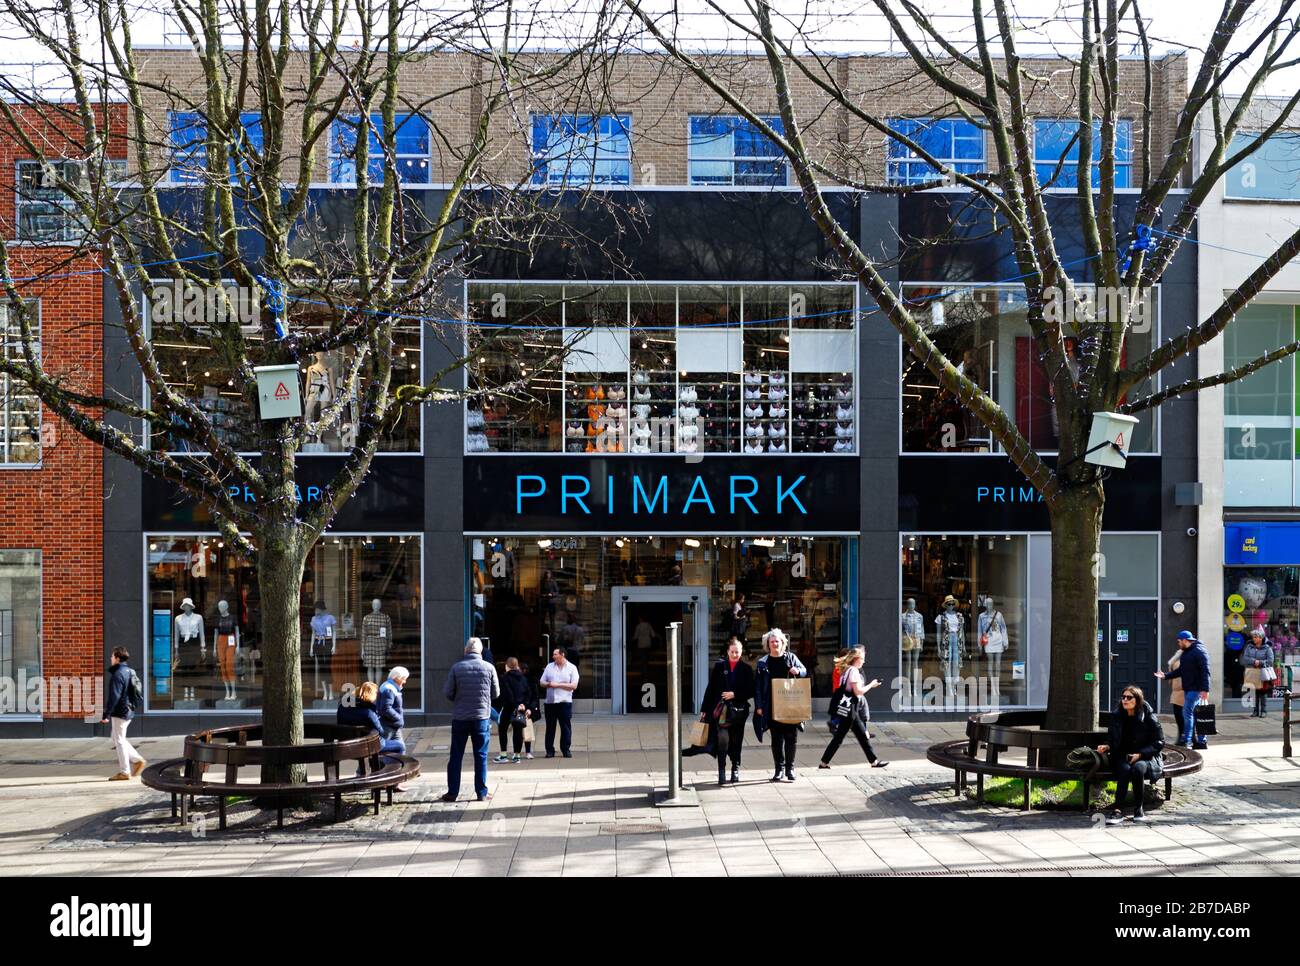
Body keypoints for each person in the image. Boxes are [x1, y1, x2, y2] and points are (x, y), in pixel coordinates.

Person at [442, 638, 500, 802]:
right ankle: (481, 792)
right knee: (481, 756)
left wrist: (459, 699)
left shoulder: (457, 667)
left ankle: (452, 792)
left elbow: (448, 692)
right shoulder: (489, 668)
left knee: (456, 756)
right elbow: (496, 694)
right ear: (480, 652)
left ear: (466, 650)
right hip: (481, 717)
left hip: (460, 717)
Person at [1097, 685, 1164, 824]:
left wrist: (1140, 754)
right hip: (1122, 755)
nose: (1125, 700)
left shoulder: (1148, 716)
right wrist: (1107, 746)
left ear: (1137, 700)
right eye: (1123, 697)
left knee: (1138, 769)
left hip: (1145, 756)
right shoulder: (1117, 716)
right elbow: (1112, 737)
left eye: (1129, 697)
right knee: (1125, 770)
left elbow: (1159, 741)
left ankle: (1138, 809)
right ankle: (1118, 810)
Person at [819, 647, 888, 769]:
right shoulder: (854, 671)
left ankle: (874, 761)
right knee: (841, 737)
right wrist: (872, 685)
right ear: (856, 659)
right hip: (850, 710)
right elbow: (858, 692)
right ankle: (824, 763)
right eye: (862, 659)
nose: (864, 661)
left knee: (861, 736)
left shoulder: (847, 670)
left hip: (850, 709)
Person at [753, 628, 807, 782]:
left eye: (777, 641)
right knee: (776, 739)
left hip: (791, 704)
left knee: (791, 738)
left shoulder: (791, 658)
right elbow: (757, 687)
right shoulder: (763, 663)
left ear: (783, 642)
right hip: (771, 706)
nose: (775, 644)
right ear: (768, 644)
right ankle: (779, 769)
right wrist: (758, 706)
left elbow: (804, 670)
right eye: (772, 642)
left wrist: (798, 671)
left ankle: (790, 769)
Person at [700, 637, 756, 785]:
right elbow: (710, 689)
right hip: (721, 711)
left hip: (738, 711)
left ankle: (735, 768)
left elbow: (751, 690)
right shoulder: (719, 667)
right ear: (727, 651)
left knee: (736, 740)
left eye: (737, 652)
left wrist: (735, 694)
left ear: (741, 652)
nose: (735, 654)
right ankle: (721, 770)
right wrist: (704, 709)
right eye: (732, 652)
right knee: (723, 740)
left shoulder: (746, 669)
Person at [1155, 630, 1211, 749]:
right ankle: (1201, 742)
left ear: (1186, 640)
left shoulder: (1199, 651)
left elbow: (1205, 672)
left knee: (1187, 713)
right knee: (1196, 715)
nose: (1178, 644)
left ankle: (1187, 740)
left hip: (1196, 689)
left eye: (1179, 641)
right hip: (1189, 688)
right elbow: (1181, 671)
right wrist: (1165, 675)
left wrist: (1205, 690)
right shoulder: (1186, 653)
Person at [337, 680, 406, 777]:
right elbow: (380, 732)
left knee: (376, 745)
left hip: (346, 745)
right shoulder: (369, 713)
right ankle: (390, 778)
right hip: (365, 747)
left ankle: (362, 772)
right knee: (399, 746)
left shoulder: (342, 708)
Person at [101, 647, 145, 781]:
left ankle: (125, 771)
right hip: (129, 709)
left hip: (120, 711)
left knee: (119, 740)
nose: (110, 658)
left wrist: (106, 714)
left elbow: (114, 696)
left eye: (112, 656)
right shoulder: (129, 671)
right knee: (116, 737)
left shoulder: (118, 674)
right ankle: (137, 760)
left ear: (117, 658)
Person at [540, 646, 580, 758]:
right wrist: (548, 684)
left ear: (562, 655)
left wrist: (558, 685)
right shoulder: (549, 667)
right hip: (550, 703)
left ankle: (566, 749)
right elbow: (542, 682)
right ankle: (549, 750)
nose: (553, 656)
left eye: (555, 654)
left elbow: (574, 685)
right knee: (550, 728)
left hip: (565, 702)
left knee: (565, 727)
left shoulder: (572, 668)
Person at [495, 657, 532, 763]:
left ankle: (503, 755)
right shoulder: (523, 678)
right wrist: (524, 705)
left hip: (508, 708)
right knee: (518, 731)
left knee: (503, 730)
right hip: (520, 708)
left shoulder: (504, 678)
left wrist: (515, 704)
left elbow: (507, 693)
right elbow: (528, 693)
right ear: (517, 666)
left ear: (507, 666)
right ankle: (517, 756)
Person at [1241, 627, 1275, 718]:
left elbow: (1271, 661)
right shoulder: (1249, 647)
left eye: (1256, 637)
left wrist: (1260, 662)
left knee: (1263, 693)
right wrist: (1254, 661)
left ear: (1261, 638)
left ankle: (1263, 711)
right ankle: (1255, 711)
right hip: (1252, 671)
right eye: (1253, 637)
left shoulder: (1267, 648)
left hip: (1262, 672)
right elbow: (1245, 658)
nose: (1254, 639)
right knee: (1254, 692)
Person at [376, 666, 408, 744]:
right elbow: (386, 708)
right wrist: (398, 718)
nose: (405, 681)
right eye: (403, 678)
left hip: (392, 725)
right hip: (388, 726)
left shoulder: (390, 687)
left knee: (400, 748)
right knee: (386, 748)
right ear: (397, 678)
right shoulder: (389, 688)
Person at [520, 660, 540, 759]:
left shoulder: (531, 681)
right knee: (520, 730)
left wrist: (530, 709)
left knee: (526, 729)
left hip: (526, 708)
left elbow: (534, 696)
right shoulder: (518, 680)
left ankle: (527, 751)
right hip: (521, 707)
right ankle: (519, 752)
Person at [1165, 648, 1184, 743]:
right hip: (1178, 691)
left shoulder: (1180, 659)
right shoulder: (1178, 658)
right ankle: (1183, 737)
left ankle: (1183, 738)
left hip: (1182, 691)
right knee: (1181, 717)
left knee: (1181, 717)